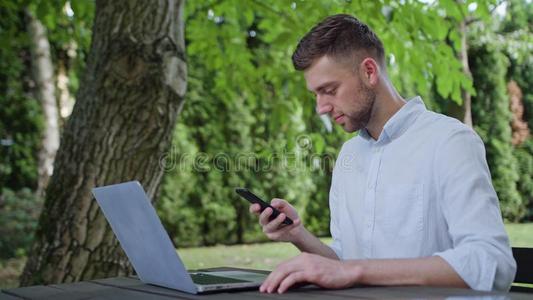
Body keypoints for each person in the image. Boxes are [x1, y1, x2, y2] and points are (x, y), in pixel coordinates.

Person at [249, 14, 516, 294]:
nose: (321, 108)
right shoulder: (349, 155)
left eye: (329, 90)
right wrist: (297, 235)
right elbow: (344, 265)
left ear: (369, 71)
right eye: (316, 94)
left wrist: (354, 270)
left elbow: (492, 263)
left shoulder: (450, 142)